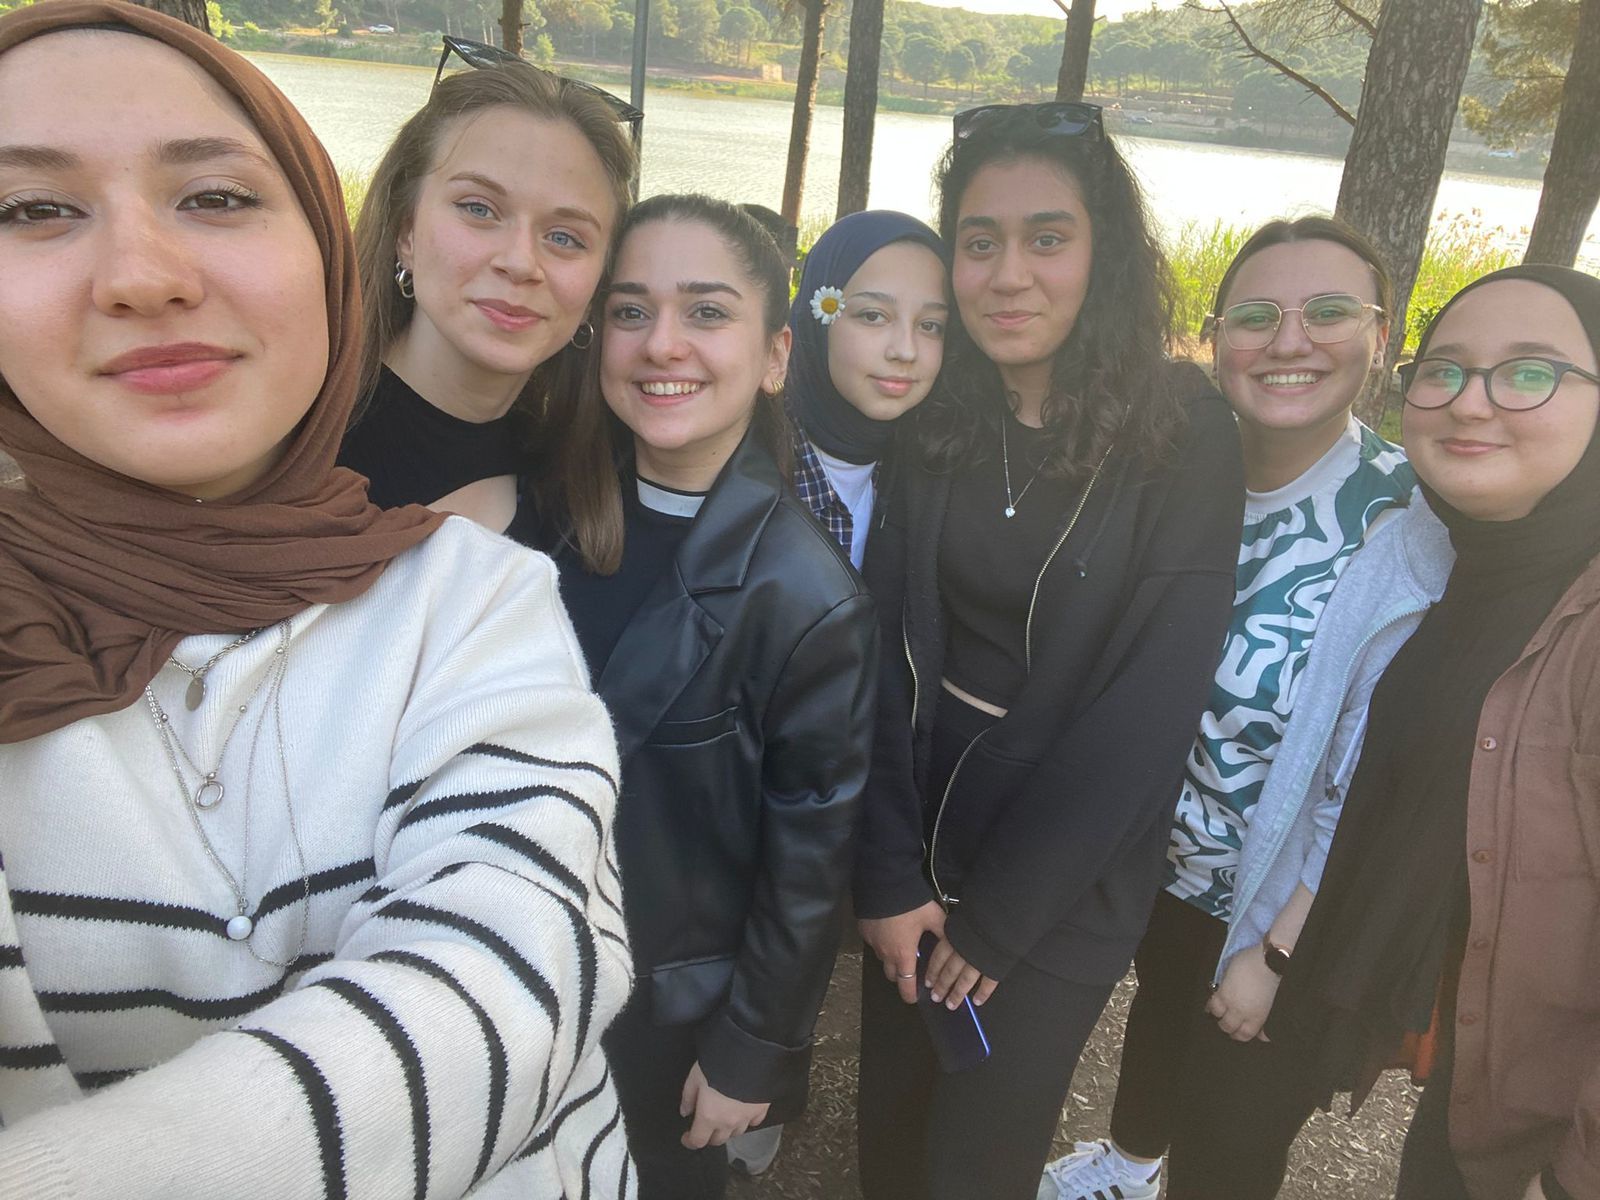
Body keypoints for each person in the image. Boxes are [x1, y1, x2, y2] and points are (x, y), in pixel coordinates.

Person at [0, 6, 632, 1198]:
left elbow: (522, 928)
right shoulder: (240, 418)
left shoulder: (554, 512)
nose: (145, 275)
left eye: (566, 234)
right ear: (395, 231)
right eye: (34, 209)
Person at [852, 100, 1245, 1200]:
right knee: (889, 1134)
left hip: (1063, 874)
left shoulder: (1181, 431)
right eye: (979, 242)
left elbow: (1149, 704)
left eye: (1047, 238)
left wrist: (1002, 921)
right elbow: (875, 650)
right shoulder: (938, 411)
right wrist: (884, 869)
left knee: (978, 1156)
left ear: (1102, 254)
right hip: (919, 834)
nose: (1008, 275)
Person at [1039, 218, 1439, 1200]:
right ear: (1216, 339)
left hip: (1283, 896)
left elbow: (1380, 773)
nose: (1288, 340)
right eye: (1256, 316)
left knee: (1231, 1128)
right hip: (1164, 863)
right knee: (1162, 1008)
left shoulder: (1404, 524)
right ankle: (1129, 1164)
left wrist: (1277, 950)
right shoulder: (1171, 470)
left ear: (1381, 336)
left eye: (1328, 312)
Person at [522, 194, 878, 1199]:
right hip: (516, 970)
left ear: (774, 357)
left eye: (707, 312)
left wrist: (750, 1050)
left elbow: (809, 856)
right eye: (630, 311)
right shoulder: (541, 513)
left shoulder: (806, 598)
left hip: (662, 1016)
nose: (661, 343)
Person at [1269, 264, 1600, 1200]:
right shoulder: (1454, 568)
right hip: (1478, 1084)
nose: (1470, 401)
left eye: (1529, 372)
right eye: (1444, 369)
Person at [337, 42, 634, 531]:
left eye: (565, 237)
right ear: (406, 232)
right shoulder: (290, 445)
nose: (520, 263)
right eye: (479, 209)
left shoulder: (580, 488)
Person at [785, 209, 948, 568]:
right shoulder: (745, 464)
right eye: (873, 316)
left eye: (930, 325)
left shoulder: (934, 468)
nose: (905, 351)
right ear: (818, 321)